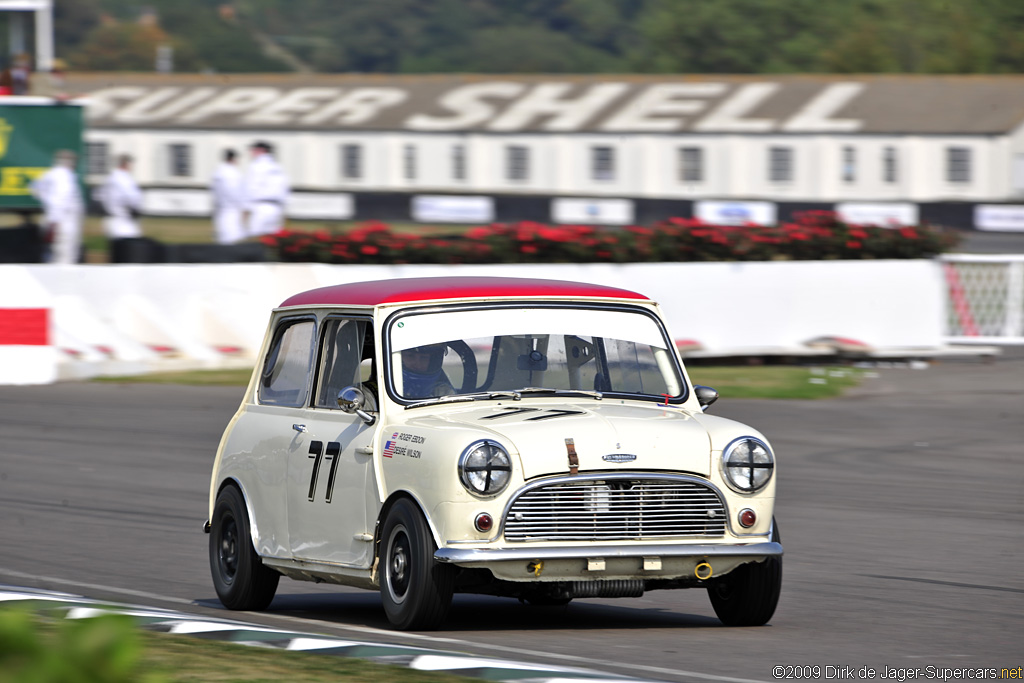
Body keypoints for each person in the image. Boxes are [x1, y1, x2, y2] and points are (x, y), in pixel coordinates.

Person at [31, 150, 83, 264]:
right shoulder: (64, 175)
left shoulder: (50, 174)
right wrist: (54, 222)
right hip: (63, 223)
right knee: (65, 259)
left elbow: (34, 187)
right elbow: (61, 199)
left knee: (53, 258)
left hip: (54, 220)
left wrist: (47, 203)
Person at [243, 141, 288, 237]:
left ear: (261, 150)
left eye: (253, 150)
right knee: (273, 240)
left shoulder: (256, 165)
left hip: (260, 207)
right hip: (277, 208)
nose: (251, 153)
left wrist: (246, 209)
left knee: (254, 240)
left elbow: (251, 187)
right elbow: (284, 189)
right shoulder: (278, 167)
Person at [100, 154, 143, 239]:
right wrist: (138, 208)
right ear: (125, 164)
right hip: (124, 223)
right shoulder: (123, 178)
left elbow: (100, 196)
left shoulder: (110, 177)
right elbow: (133, 198)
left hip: (110, 221)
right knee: (131, 250)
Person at [210, 149, 245, 244]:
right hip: (232, 209)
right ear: (233, 159)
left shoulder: (218, 172)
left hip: (220, 209)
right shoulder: (232, 173)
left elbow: (213, 192)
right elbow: (234, 192)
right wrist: (243, 206)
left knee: (222, 238)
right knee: (232, 239)